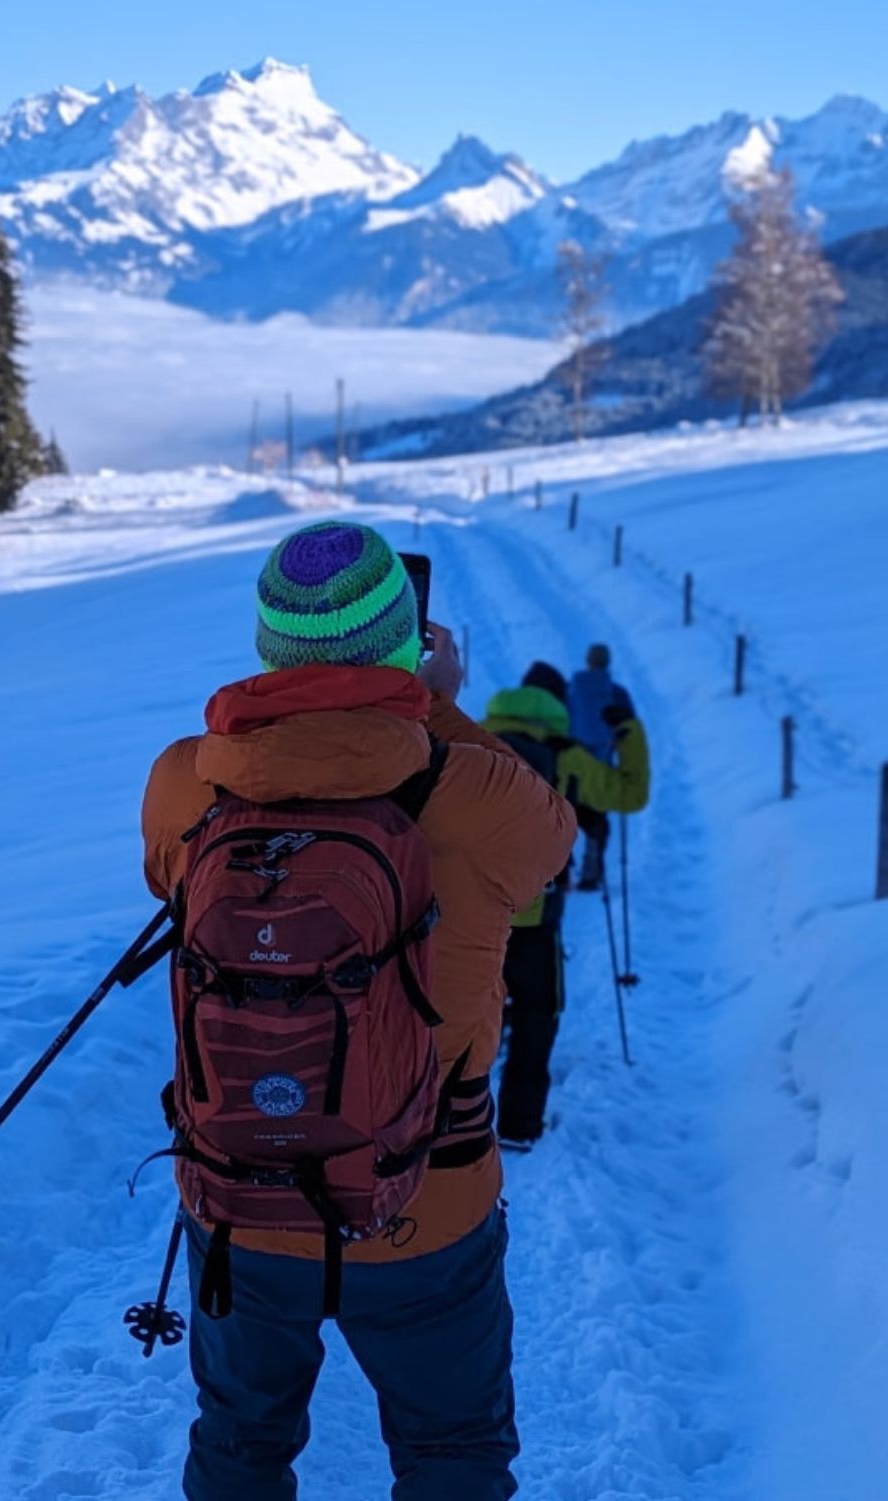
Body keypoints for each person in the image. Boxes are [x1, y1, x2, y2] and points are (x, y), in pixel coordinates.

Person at [141, 520, 574, 1500]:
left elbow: (165, 878)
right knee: (450, 1453)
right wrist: (433, 711)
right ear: (400, 641)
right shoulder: (481, 791)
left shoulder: (183, 782)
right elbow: (552, 844)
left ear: (267, 645)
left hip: (235, 1197)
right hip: (427, 1201)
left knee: (238, 1442)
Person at [482, 660, 651, 1148]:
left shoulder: (470, 741)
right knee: (538, 1010)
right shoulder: (568, 755)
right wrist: (628, 734)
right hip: (535, 913)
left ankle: (445, 1129)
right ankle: (518, 1126)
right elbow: (631, 794)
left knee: (458, 1007)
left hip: (465, 908)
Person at [566, 644, 634, 891]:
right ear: (608, 663)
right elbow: (628, 731)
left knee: (566, 818)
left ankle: (560, 871)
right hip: (602, 769)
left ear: (588, 661)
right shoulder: (617, 694)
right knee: (597, 823)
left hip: (572, 767)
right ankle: (590, 872)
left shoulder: (571, 689)